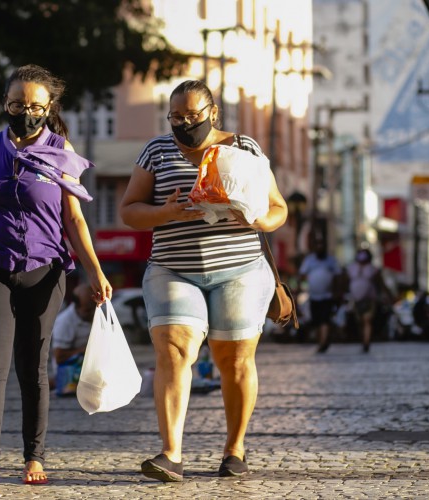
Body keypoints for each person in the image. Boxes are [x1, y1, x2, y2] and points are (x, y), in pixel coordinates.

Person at [0, 64, 112, 488]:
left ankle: (34, 455)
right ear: (5, 105)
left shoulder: (60, 150)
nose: (25, 112)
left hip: (44, 269)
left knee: (32, 367)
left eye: (34, 106)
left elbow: (74, 218)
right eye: (16, 104)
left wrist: (96, 272)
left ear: (49, 107)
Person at [119, 80, 287, 480]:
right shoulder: (156, 151)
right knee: (174, 351)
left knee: (233, 360)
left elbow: (278, 208)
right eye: (176, 116)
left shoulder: (243, 148)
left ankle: (234, 449)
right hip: (173, 269)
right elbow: (129, 210)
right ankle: (170, 453)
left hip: (240, 270)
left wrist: (258, 218)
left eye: (193, 116)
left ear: (213, 113)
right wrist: (166, 213)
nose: (184, 123)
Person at [50, 283, 95, 396]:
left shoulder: (95, 313)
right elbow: (59, 356)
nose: (91, 313)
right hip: (70, 367)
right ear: (77, 306)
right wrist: (86, 350)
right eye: (87, 310)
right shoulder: (64, 322)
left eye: (94, 308)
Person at [298, 239, 342, 353]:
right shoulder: (309, 260)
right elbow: (302, 275)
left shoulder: (331, 260)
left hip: (327, 296)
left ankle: (323, 342)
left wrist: (337, 292)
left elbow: (338, 276)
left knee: (325, 319)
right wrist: (300, 288)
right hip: (313, 296)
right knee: (316, 320)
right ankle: (322, 341)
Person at [346, 247, 392, 353]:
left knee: (367, 320)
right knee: (360, 321)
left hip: (369, 299)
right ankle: (363, 340)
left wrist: (387, 295)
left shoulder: (373, 269)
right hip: (356, 299)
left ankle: (366, 342)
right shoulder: (352, 268)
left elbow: (380, 283)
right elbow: (345, 281)